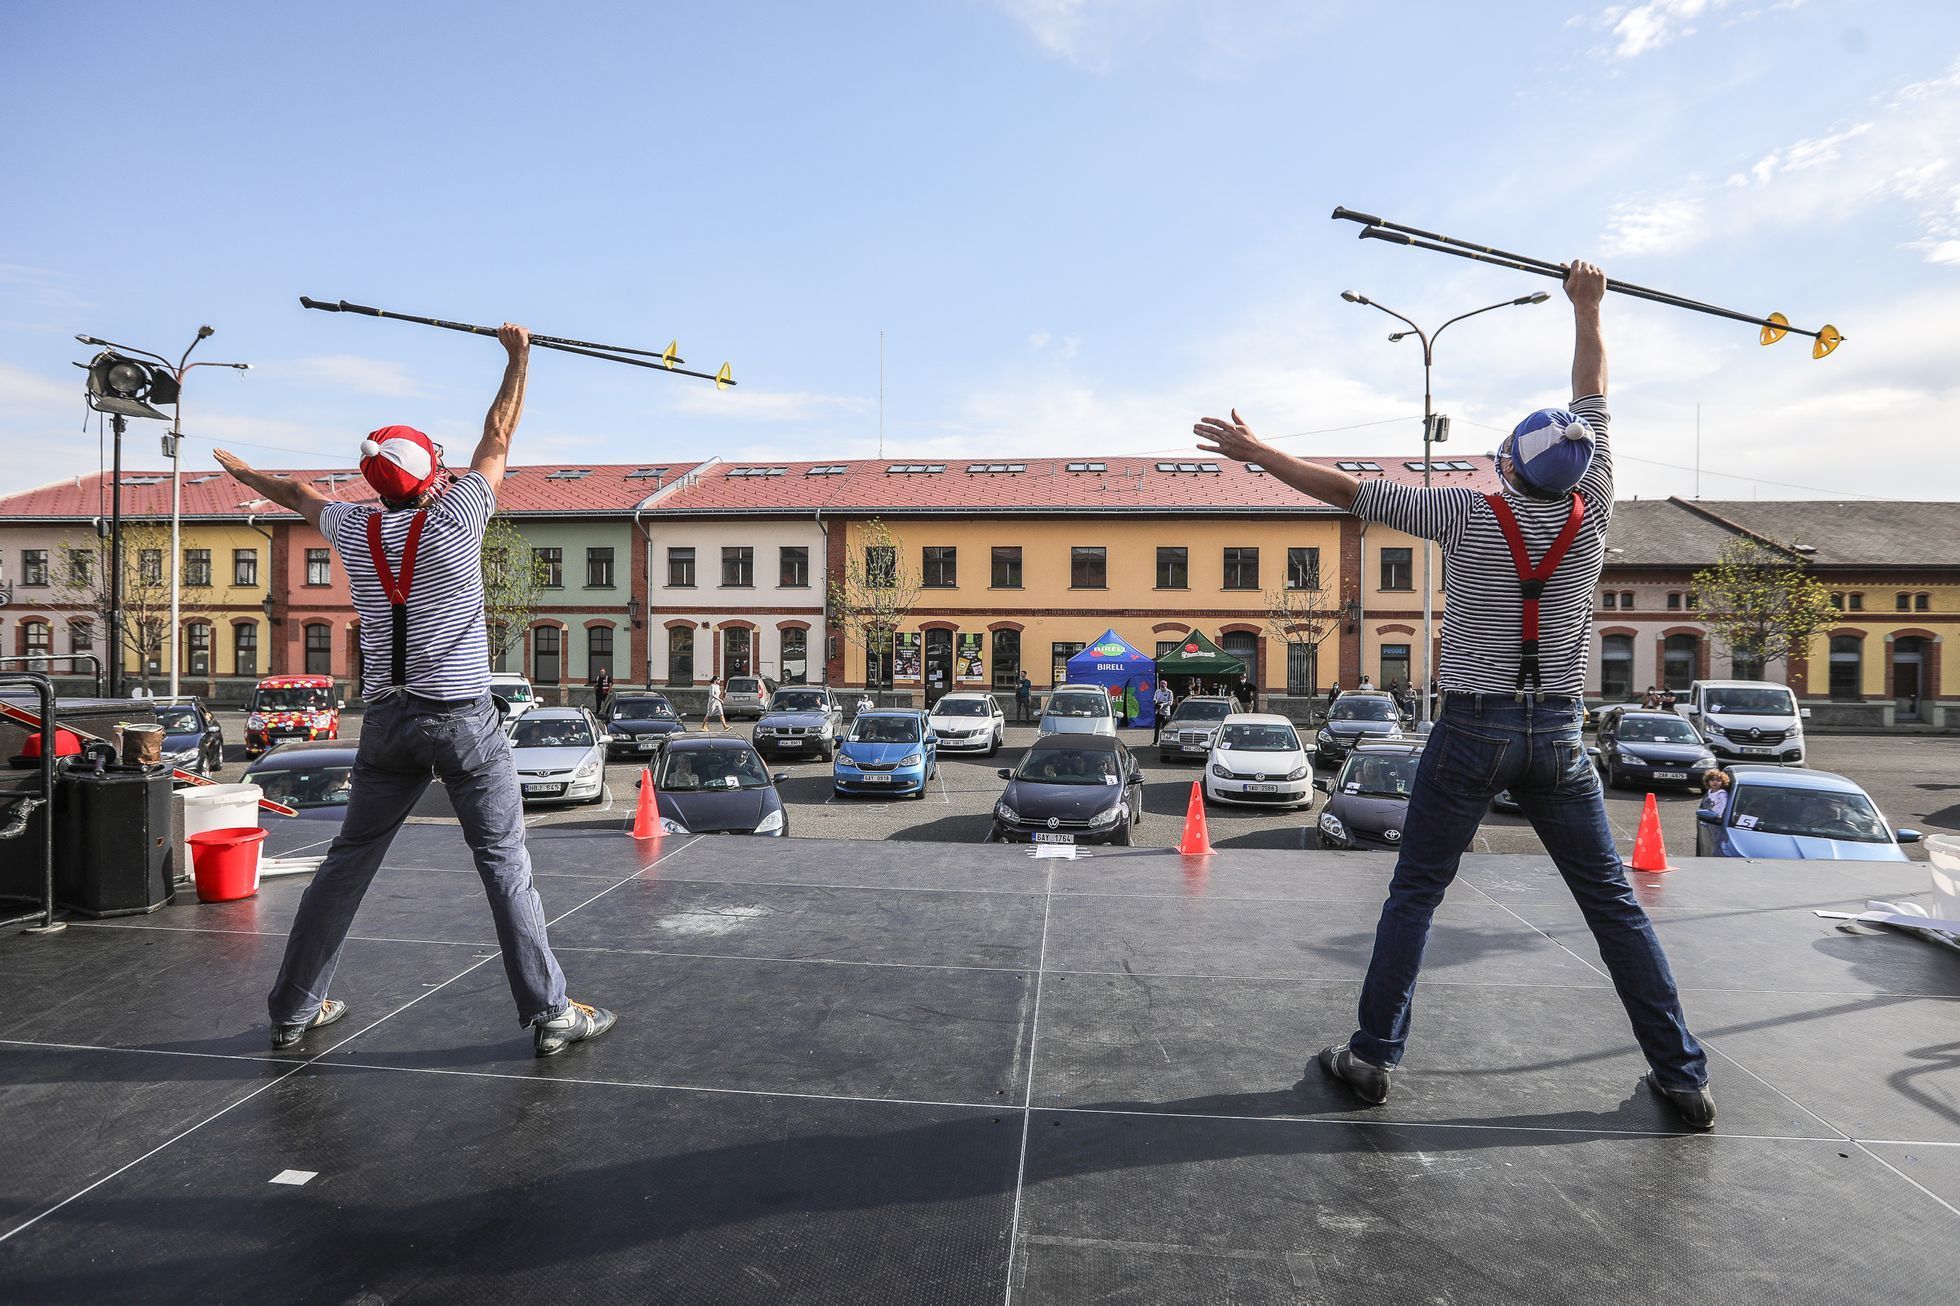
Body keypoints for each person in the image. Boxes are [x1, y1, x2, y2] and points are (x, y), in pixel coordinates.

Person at [1195, 259, 1714, 1130]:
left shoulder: (1470, 514)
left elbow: (1347, 490)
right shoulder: (1596, 502)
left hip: (1472, 727)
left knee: (1417, 892)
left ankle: (1370, 1057)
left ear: (1509, 463)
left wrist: (1258, 454)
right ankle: (1683, 1075)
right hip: (1558, 733)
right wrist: (1589, 308)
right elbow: (1593, 391)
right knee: (1613, 908)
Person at [216, 324, 614, 1060]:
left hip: (388, 721)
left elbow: (299, 495)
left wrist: (246, 476)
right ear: (432, 473)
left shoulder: (354, 526)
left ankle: (295, 1008)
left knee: (348, 861)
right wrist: (518, 356)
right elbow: (498, 432)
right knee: (504, 863)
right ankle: (550, 1010)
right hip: (462, 720)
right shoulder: (459, 514)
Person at [1152, 679, 1174, 744]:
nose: (1162, 688)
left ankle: (1166, 742)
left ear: (1166, 686)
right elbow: (1154, 698)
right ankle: (1155, 742)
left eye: (1163, 687)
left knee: (1165, 728)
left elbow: (1170, 702)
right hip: (1158, 712)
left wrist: (1163, 704)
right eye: (1161, 686)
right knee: (1157, 729)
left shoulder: (1169, 692)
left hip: (1165, 713)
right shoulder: (1157, 691)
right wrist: (1155, 701)